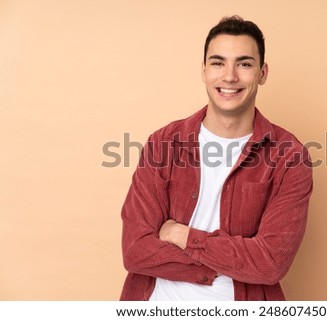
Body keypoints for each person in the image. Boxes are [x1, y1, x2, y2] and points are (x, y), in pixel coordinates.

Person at [120, 15, 313, 301]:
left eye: (244, 64)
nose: (230, 76)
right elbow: (135, 251)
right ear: (204, 70)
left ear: (263, 73)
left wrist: (184, 236)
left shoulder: (290, 157)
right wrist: (228, 262)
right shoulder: (163, 143)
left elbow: (270, 264)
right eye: (218, 62)